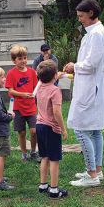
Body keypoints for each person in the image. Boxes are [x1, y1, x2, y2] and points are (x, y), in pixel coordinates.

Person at [65, 0, 104, 187]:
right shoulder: (93, 32)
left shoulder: (97, 34)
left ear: (91, 13)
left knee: (81, 128)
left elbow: (91, 64)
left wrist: (73, 66)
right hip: (91, 85)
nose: (79, 19)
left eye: (81, 16)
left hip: (91, 86)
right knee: (94, 129)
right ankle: (96, 171)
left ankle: (92, 174)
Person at [36, 60, 68, 199]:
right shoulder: (55, 91)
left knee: (45, 156)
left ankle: (43, 185)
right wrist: (63, 129)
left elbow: (46, 77)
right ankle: (54, 189)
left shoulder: (39, 87)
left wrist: (55, 75)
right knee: (54, 159)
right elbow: (57, 112)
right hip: (52, 128)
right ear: (55, 75)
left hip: (39, 126)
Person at [5, 44, 40, 162]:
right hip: (18, 107)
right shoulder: (11, 73)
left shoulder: (32, 72)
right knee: (22, 132)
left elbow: (36, 88)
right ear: (14, 60)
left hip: (31, 107)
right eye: (20, 58)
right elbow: (10, 90)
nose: (23, 61)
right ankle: (24, 153)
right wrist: (23, 94)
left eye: (25, 58)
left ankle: (34, 151)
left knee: (34, 131)